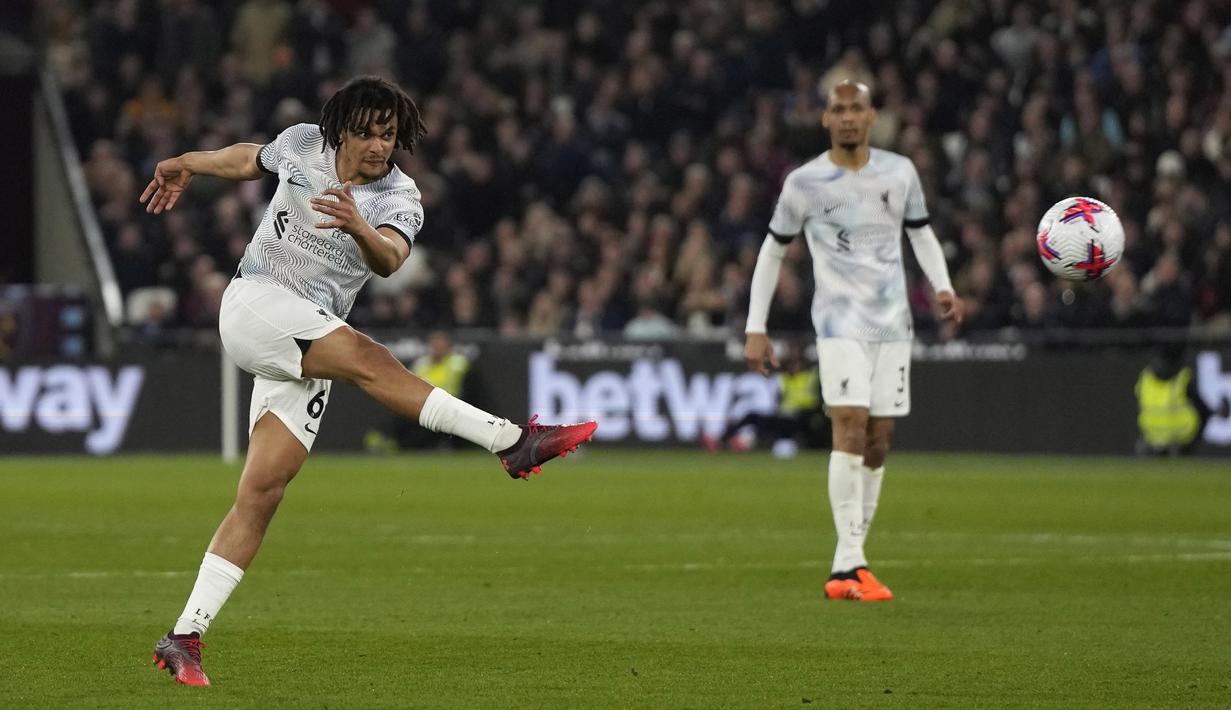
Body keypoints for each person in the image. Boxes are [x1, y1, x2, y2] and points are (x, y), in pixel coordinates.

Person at [139, 76, 598, 686]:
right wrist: (188, 163)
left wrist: (358, 224)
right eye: (368, 133)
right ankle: (512, 442)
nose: (381, 145)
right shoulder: (302, 144)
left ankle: (183, 635)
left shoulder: (400, 196)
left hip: (307, 333)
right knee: (371, 359)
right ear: (340, 131)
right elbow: (248, 159)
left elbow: (390, 260)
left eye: (389, 134)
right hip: (255, 302)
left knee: (263, 492)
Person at [743, 80, 963, 603]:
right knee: (849, 422)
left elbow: (921, 232)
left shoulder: (899, 172)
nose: (846, 117)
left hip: (893, 326)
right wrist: (756, 326)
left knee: (878, 439)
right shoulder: (805, 182)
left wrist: (943, 286)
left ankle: (851, 560)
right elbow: (773, 251)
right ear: (826, 119)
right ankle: (849, 564)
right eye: (837, 109)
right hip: (839, 324)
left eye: (855, 108)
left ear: (871, 116)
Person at [704, 341, 826, 454]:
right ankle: (722, 439)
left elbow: (814, 400)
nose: (794, 367)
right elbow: (777, 398)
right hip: (782, 415)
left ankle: (746, 441)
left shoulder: (811, 377)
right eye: (792, 364)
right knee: (752, 416)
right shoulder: (784, 378)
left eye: (797, 364)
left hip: (801, 415)